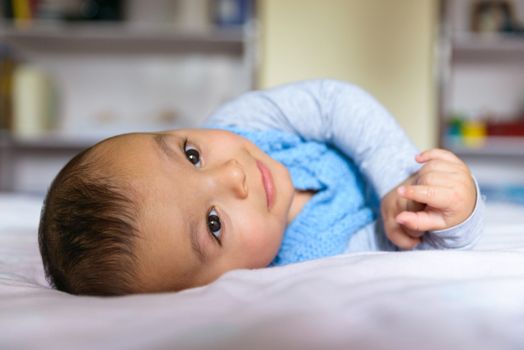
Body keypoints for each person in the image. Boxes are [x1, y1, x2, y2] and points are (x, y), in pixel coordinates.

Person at [38, 80, 484, 296]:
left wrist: (395, 177)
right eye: (213, 224)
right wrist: (453, 213)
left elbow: (334, 104)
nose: (232, 174)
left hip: (394, 165)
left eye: (192, 155)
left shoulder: (241, 122)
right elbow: (420, 246)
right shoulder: (309, 267)